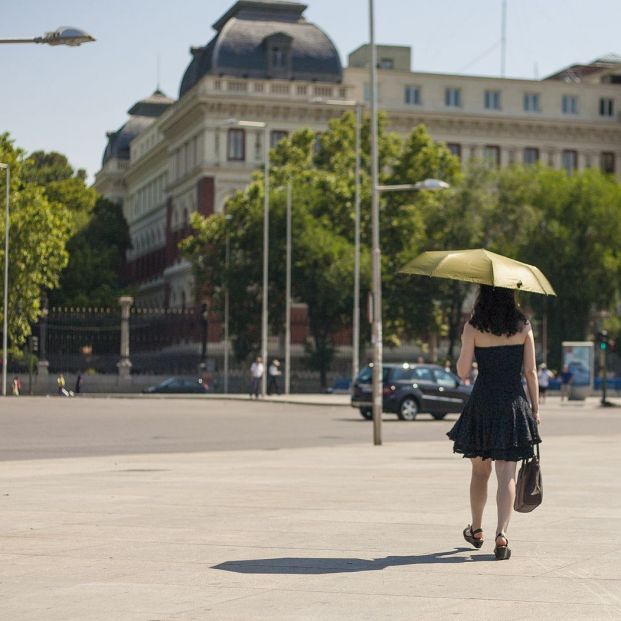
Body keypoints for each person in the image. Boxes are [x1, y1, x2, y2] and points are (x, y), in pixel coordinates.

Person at [447, 285, 541, 561]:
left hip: (482, 406)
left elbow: (463, 372)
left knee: (480, 473)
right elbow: (531, 371)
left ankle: (476, 529)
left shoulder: (473, 326)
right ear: (511, 294)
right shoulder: (523, 325)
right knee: (507, 475)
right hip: (512, 405)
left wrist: (465, 348)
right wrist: (535, 409)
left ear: (483, 295)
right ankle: (502, 535)